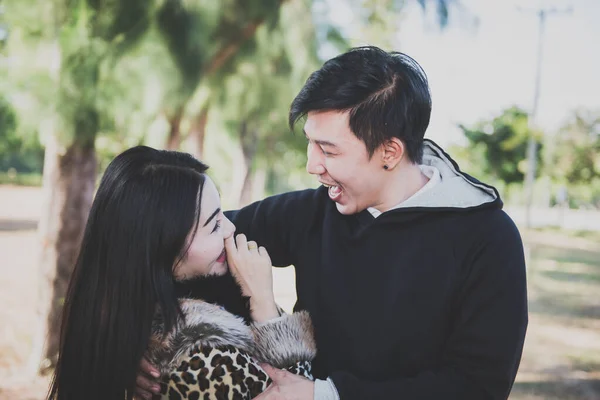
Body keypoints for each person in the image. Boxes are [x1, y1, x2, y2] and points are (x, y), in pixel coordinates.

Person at [137, 46, 528, 400]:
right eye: (310, 142)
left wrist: (324, 396)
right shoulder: (311, 212)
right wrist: (128, 338)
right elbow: (178, 244)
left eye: (328, 150)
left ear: (390, 151)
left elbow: (476, 387)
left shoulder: (489, 240)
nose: (311, 165)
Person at [47, 146, 316, 400]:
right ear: (160, 248)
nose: (230, 229)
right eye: (213, 225)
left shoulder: (126, 320)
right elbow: (294, 391)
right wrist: (265, 306)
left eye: (222, 213)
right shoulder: (204, 360)